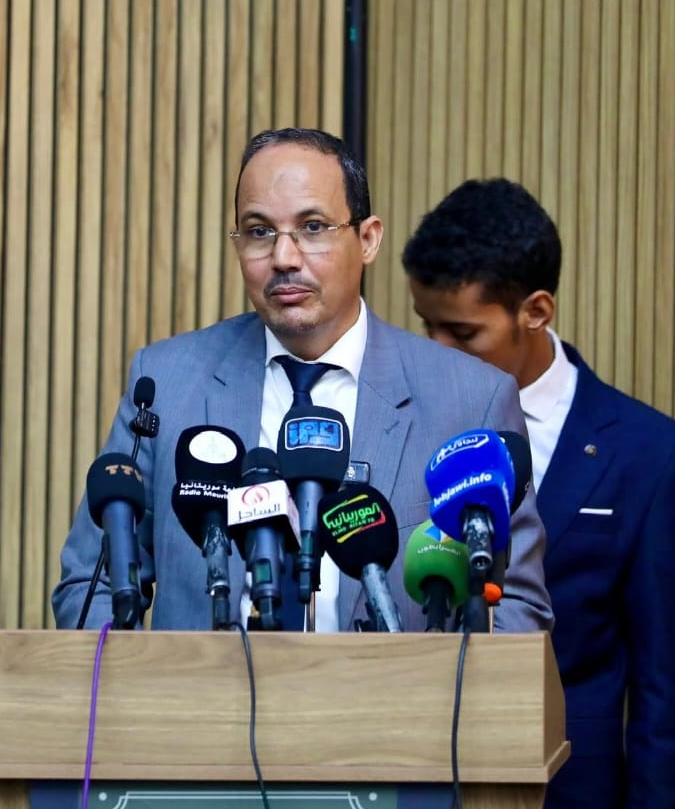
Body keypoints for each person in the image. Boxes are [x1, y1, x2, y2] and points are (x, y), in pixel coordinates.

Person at [52, 129, 553, 634]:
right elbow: (89, 583)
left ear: (368, 239)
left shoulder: (470, 399)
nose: (284, 258)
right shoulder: (167, 381)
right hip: (202, 686)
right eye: (259, 231)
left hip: (393, 687)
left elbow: (517, 610)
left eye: (313, 227)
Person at [403, 178, 675, 809]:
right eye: (426, 327)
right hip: (406, 777)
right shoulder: (400, 420)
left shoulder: (648, 454)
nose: (437, 353)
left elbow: (661, 690)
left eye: (462, 333)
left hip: (567, 795)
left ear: (535, 311)